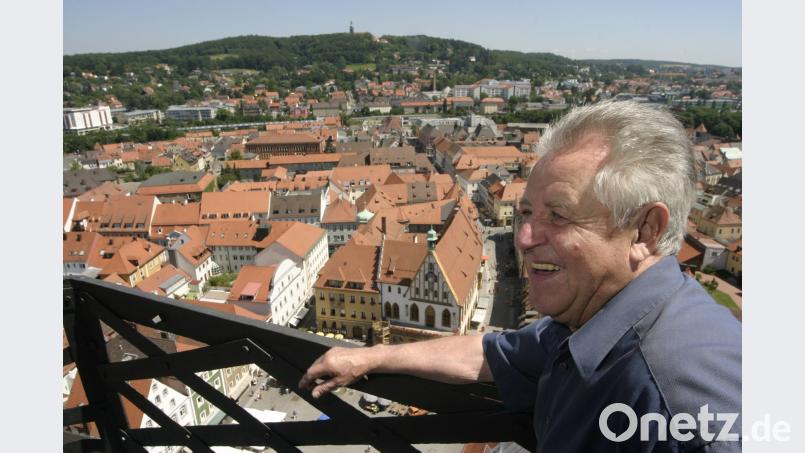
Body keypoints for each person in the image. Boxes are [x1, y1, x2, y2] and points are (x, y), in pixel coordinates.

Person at [299, 101, 741, 452]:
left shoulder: (683, 400)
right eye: (526, 212)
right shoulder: (596, 321)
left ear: (645, 230)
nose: (525, 238)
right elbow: (491, 354)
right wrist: (371, 358)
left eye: (559, 216)